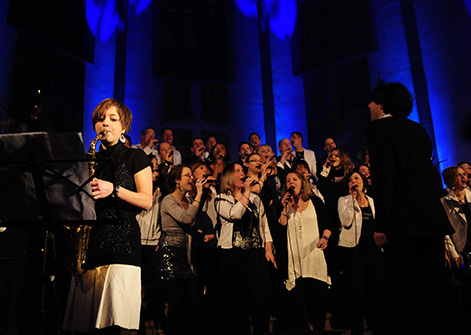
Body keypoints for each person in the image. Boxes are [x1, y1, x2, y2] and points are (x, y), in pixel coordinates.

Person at [366, 82, 453, 335]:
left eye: (372, 101)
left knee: (405, 291)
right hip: (431, 219)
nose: (368, 106)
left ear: (382, 104)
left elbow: (385, 177)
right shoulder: (418, 129)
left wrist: (381, 224)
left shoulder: (378, 129)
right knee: (436, 288)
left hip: (403, 223)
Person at [63, 98, 153, 334]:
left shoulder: (136, 157)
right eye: (101, 119)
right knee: (85, 325)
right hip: (89, 247)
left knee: (118, 324)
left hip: (122, 246)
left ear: (124, 127)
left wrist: (114, 189)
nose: (106, 124)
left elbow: (147, 200)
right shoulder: (87, 159)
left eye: (113, 119)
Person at [214, 163, 277, 335]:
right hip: (233, 256)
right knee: (238, 303)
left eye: (243, 170)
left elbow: (264, 226)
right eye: (238, 171)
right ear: (228, 177)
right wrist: (247, 192)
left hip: (255, 254)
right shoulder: (221, 199)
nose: (242, 173)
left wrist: (268, 249)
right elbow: (235, 214)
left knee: (261, 299)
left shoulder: (256, 199)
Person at [278, 171, 332, 334]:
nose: (290, 182)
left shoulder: (314, 201)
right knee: (300, 306)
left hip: (314, 257)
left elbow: (328, 225)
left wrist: (325, 238)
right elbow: (281, 226)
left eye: (294, 179)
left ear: (302, 183)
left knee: (318, 302)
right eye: (287, 180)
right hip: (295, 261)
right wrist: (284, 207)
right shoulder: (286, 206)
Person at [158, 165, 205, 335]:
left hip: (187, 256)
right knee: (177, 302)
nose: (192, 178)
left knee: (193, 302)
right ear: (177, 180)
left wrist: (201, 236)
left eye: (192, 175)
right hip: (171, 255)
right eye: (187, 175)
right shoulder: (168, 200)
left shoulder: (189, 201)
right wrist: (199, 195)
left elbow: (191, 225)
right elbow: (186, 219)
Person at [337, 171, 385, 335]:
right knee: (357, 292)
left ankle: (377, 325)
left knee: (376, 289)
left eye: (356, 179)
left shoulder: (372, 201)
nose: (353, 182)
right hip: (353, 250)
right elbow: (346, 221)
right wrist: (352, 199)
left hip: (374, 249)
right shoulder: (343, 200)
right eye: (350, 180)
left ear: (364, 182)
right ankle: (356, 329)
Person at [135, 154, 166, 335]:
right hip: (137, 243)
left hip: (153, 243)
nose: (154, 173)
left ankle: (159, 322)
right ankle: (137, 325)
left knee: (157, 285)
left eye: (155, 170)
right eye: (151, 169)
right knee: (137, 287)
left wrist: (161, 240)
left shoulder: (162, 192)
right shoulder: (136, 188)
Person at [441, 165, 471, 334]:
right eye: (459, 175)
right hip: (462, 249)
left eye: (464, 174)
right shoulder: (445, 202)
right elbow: (446, 232)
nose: (464, 176)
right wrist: (453, 253)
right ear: (451, 180)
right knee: (466, 287)